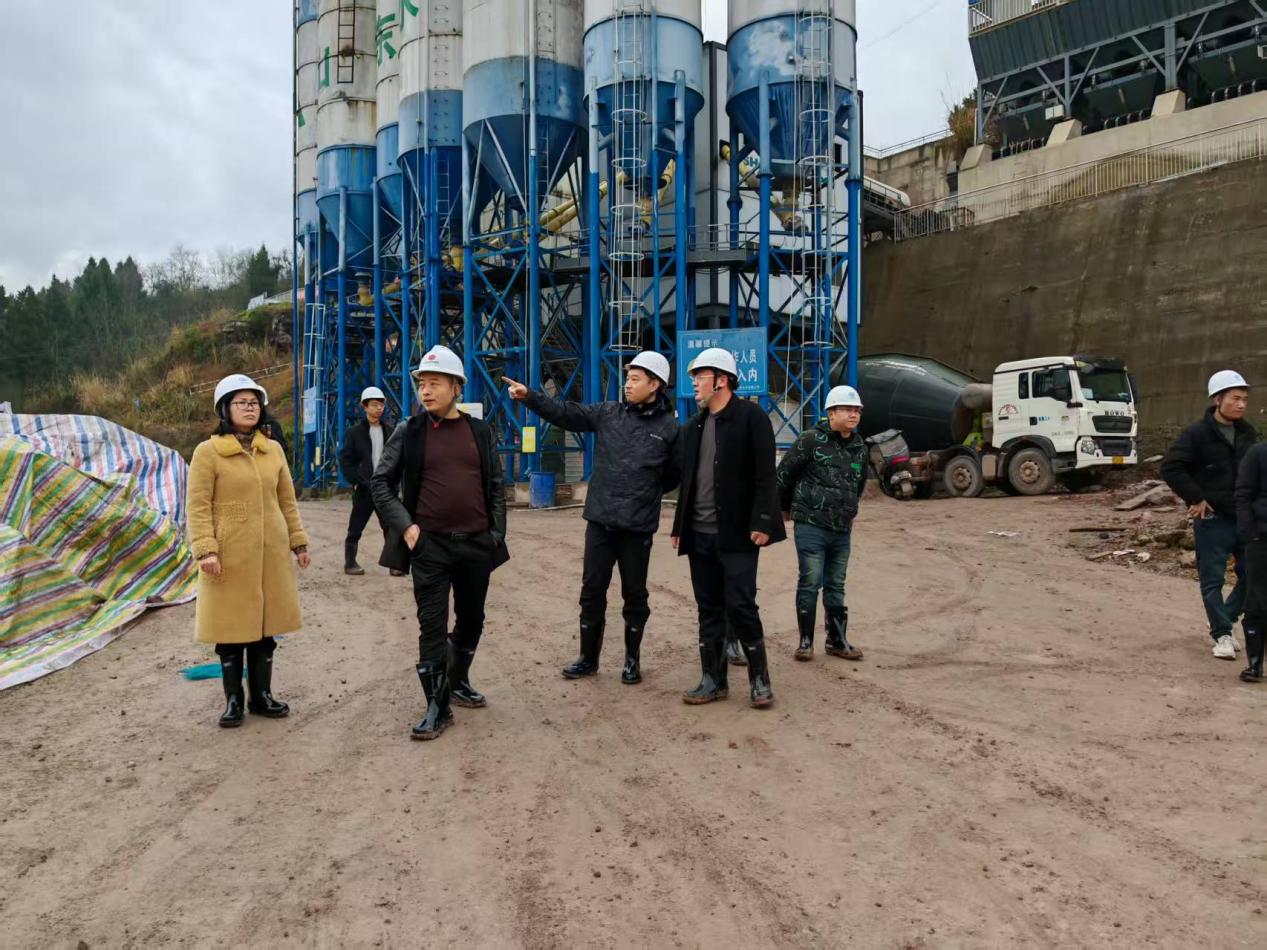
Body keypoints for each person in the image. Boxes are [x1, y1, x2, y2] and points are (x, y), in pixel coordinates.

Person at [504, 352, 680, 684]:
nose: (628, 384)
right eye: (628, 378)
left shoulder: (669, 428)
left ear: (655, 384)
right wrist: (531, 397)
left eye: (636, 379)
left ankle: (632, 661)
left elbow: (672, 475)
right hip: (600, 520)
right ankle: (588, 659)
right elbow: (567, 413)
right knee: (592, 591)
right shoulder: (609, 413)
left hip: (637, 526)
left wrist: (643, 491)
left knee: (635, 594)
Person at [371, 344, 509, 740]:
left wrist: (495, 534)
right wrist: (405, 527)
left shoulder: (479, 431)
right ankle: (437, 706)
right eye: (422, 384)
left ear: (456, 387)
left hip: (476, 545)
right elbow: (380, 483)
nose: (426, 391)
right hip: (430, 547)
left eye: (435, 383)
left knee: (471, 620)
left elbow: (496, 485)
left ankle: (458, 681)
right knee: (431, 626)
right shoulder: (410, 431)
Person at [186, 373, 311, 728]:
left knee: (265, 631)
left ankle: (262, 696)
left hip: (270, 554)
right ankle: (233, 701)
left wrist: (298, 542)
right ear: (225, 409)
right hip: (228, 557)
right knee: (230, 632)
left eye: (254, 403)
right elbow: (197, 506)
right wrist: (206, 550)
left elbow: (287, 501)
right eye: (241, 402)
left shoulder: (272, 450)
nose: (249, 408)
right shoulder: (208, 452)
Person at [670, 347, 785, 708]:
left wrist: (763, 520)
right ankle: (713, 680)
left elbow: (766, 476)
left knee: (741, 605)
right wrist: (679, 525)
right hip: (699, 533)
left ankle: (760, 681)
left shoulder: (752, 418)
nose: (694, 384)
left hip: (737, 534)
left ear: (721, 380)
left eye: (699, 377)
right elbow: (687, 481)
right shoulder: (694, 426)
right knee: (708, 608)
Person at [1162, 371, 1256, 660]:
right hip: (1213, 518)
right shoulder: (1197, 434)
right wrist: (1196, 497)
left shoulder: (1248, 433)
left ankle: (1225, 616)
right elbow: (1171, 467)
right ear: (1218, 399)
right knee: (1212, 578)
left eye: (1244, 399)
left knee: (1255, 572)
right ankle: (1222, 634)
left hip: (1245, 516)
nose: (1241, 405)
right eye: (1235, 398)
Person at [776, 384, 868, 662]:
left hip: (842, 528)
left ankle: (837, 640)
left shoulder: (859, 447)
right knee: (810, 581)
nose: (853, 414)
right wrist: (785, 508)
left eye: (857, 410)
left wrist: (849, 509)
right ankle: (805, 642)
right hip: (811, 524)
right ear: (831, 412)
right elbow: (784, 475)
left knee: (836, 584)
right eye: (847, 409)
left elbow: (859, 483)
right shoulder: (810, 440)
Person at [339, 386, 401, 576]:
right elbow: (346, 460)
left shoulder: (390, 431)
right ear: (364, 406)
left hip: (385, 489)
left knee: (391, 528)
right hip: (364, 489)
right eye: (374, 404)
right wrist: (356, 481)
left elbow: (397, 459)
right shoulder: (354, 433)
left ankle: (394, 565)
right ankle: (350, 563)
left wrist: (394, 483)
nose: (379, 408)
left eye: (381, 404)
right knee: (356, 528)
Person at [1234, 441, 1267, 683]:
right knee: (1257, 600)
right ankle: (1254, 663)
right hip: (1262, 540)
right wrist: (1251, 532)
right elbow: (1243, 494)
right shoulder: (1258, 453)